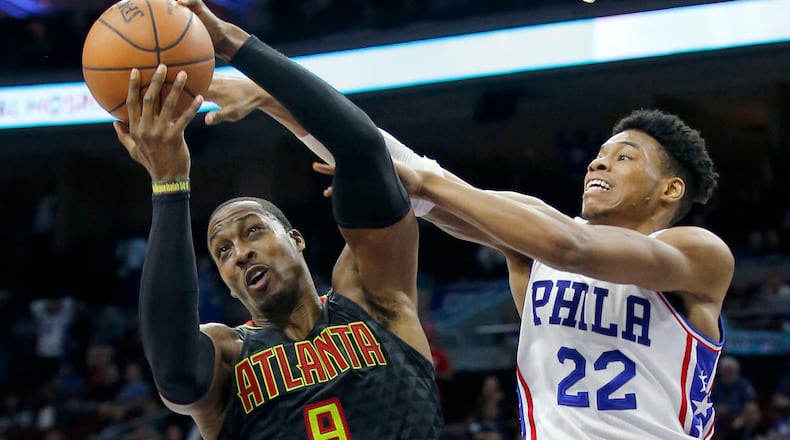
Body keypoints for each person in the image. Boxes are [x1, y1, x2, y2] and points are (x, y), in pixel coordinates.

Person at [202, 74, 734, 438]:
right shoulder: (534, 230)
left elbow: (571, 249)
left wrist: (425, 180)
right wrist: (273, 99)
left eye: (624, 157)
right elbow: (398, 165)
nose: (600, 164)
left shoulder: (696, 253)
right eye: (599, 154)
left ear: (669, 191)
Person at [110, 1, 445, 438]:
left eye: (253, 230)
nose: (241, 252)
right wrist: (169, 183)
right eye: (223, 251)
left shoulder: (371, 297)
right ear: (226, 282)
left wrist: (234, 43)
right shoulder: (230, 354)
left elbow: (361, 149)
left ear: (297, 239)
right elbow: (173, 370)